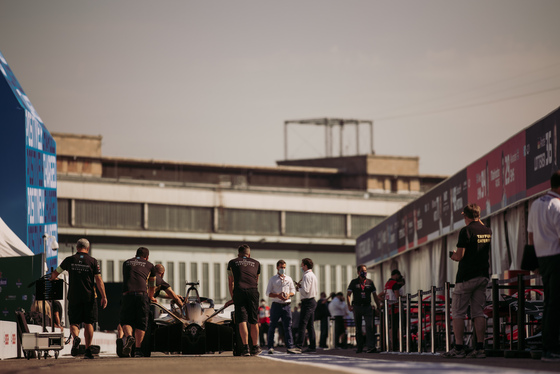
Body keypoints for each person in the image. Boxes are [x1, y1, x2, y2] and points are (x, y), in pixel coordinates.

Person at [444, 203, 492, 359]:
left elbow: (459, 256)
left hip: (466, 277)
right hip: (483, 275)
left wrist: (451, 255)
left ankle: (458, 348)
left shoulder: (466, 231)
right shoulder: (487, 230)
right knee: (479, 312)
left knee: (458, 312)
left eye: (464, 216)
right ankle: (480, 347)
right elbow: (481, 227)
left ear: (467, 216)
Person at [49, 238, 107, 359]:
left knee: (74, 322)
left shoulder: (69, 260)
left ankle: (76, 338)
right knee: (89, 323)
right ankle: (88, 350)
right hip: (89, 297)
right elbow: (99, 280)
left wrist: (53, 278)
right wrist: (104, 296)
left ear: (77, 247)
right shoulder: (93, 261)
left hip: (74, 296)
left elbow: (55, 273)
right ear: (88, 248)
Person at [528, 171, 560, 362]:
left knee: (549, 303)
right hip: (556, 257)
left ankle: (548, 346)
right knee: (555, 304)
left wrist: (534, 263)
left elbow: (530, 236)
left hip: (543, 259)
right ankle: (552, 348)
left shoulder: (535, 204)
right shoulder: (557, 206)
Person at [120, 247, 157, 358]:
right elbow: (152, 285)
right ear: (147, 257)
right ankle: (138, 350)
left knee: (126, 320)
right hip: (142, 295)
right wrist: (151, 297)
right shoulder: (150, 265)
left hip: (127, 294)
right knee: (141, 322)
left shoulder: (126, 263)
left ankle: (129, 337)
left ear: (136, 254)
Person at [227, 244, 261, 356]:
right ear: (249, 254)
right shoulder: (256, 263)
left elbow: (231, 281)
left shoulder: (232, 263)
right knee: (253, 320)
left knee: (242, 320)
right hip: (253, 290)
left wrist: (233, 297)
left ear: (238, 254)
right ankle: (255, 347)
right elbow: (256, 280)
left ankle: (245, 348)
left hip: (239, 290)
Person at [265, 259, 299, 354]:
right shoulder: (272, 279)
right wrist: (277, 295)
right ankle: (270, 347)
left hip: (287, 305)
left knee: (288, 327)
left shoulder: (289, 278)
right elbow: (268, 293)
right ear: (277, 267)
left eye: (284, 267)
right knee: (272, 326)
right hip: (276, 305)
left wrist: (289, 295)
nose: (283, 269)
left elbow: (293, 291)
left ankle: (290, 347)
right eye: (281, 267)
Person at [347, 264, 381, 354]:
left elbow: (375, 296)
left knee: (369, 327)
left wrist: (378, 306)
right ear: (358, 272)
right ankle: (360, 347)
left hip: (367, 307)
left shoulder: (370, 282)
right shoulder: (354, 282)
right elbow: (348, 294)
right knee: (358, 328)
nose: (364, 272)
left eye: (365, 270)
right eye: (362, 270)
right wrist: (349, 305)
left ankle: (371, 347)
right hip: (357, 307)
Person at [294, 257, 318, 353]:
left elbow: (306, 290)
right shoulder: (313, 275)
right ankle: (312, 347)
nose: (301, 266)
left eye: (302, 265)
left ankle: (298, 346)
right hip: (312, 301)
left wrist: (298, 289)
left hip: (307, 302)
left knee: (302, 324)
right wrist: (301, 287)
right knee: (310, 326)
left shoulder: (306, 276)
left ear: (305, 266)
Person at [384, 269, 405, 350]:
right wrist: (403, 297)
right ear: (396, 275)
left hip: (389, 307)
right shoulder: (394, 283)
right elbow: (397, 296)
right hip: (396, 308)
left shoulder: (387, 283)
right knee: (398, 327)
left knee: (391, 327)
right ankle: (398, 344)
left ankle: (392, 344)